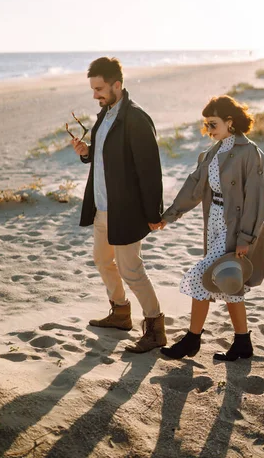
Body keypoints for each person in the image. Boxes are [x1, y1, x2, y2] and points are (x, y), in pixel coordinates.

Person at [156, 95, 264, 361]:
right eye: (206, 125)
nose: (209, 129)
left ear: (230, 121)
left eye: (213, 123)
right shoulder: (210, 153)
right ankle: (243, 342)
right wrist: (168, 216)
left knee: (199, 278)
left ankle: (192, 341)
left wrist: (246, 237)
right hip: (214, 222)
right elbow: (195, 188)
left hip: (235, 228)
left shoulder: (250, 152)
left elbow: (255, 198)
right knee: (229, 281)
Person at [70, 56, 166, 353]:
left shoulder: (136, 119)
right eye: (93, 89)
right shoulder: (106, 113)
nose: (95, 94)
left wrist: (153, 214)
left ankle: (155, 327)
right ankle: (120, 312)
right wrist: (86, 152)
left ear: (117, 85)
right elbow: (103, 156)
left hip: (126, 210)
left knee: (131, 269)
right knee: (102, 260)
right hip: (102, 206)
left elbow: (149, 170)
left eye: (99, 88)